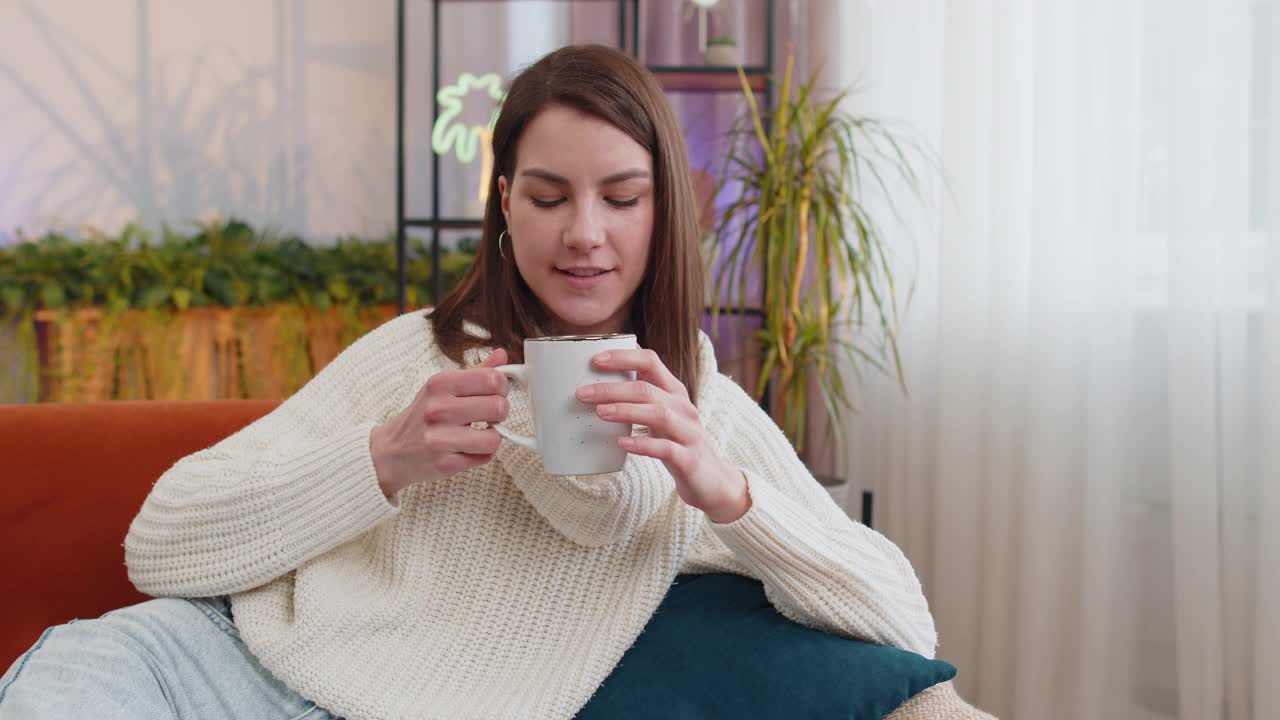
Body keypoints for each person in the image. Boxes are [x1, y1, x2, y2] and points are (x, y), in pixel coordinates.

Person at [0, 44, 936, 720]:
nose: (583, 234)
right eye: (546, 196)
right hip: (223, 668)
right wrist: (381, 461)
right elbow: (157, 542)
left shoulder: (702, 419)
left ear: (664, 214)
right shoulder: (421, 353)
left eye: (620, 197)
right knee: (75, 670)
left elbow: (904, 625)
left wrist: (729, 494)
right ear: (503, 204)